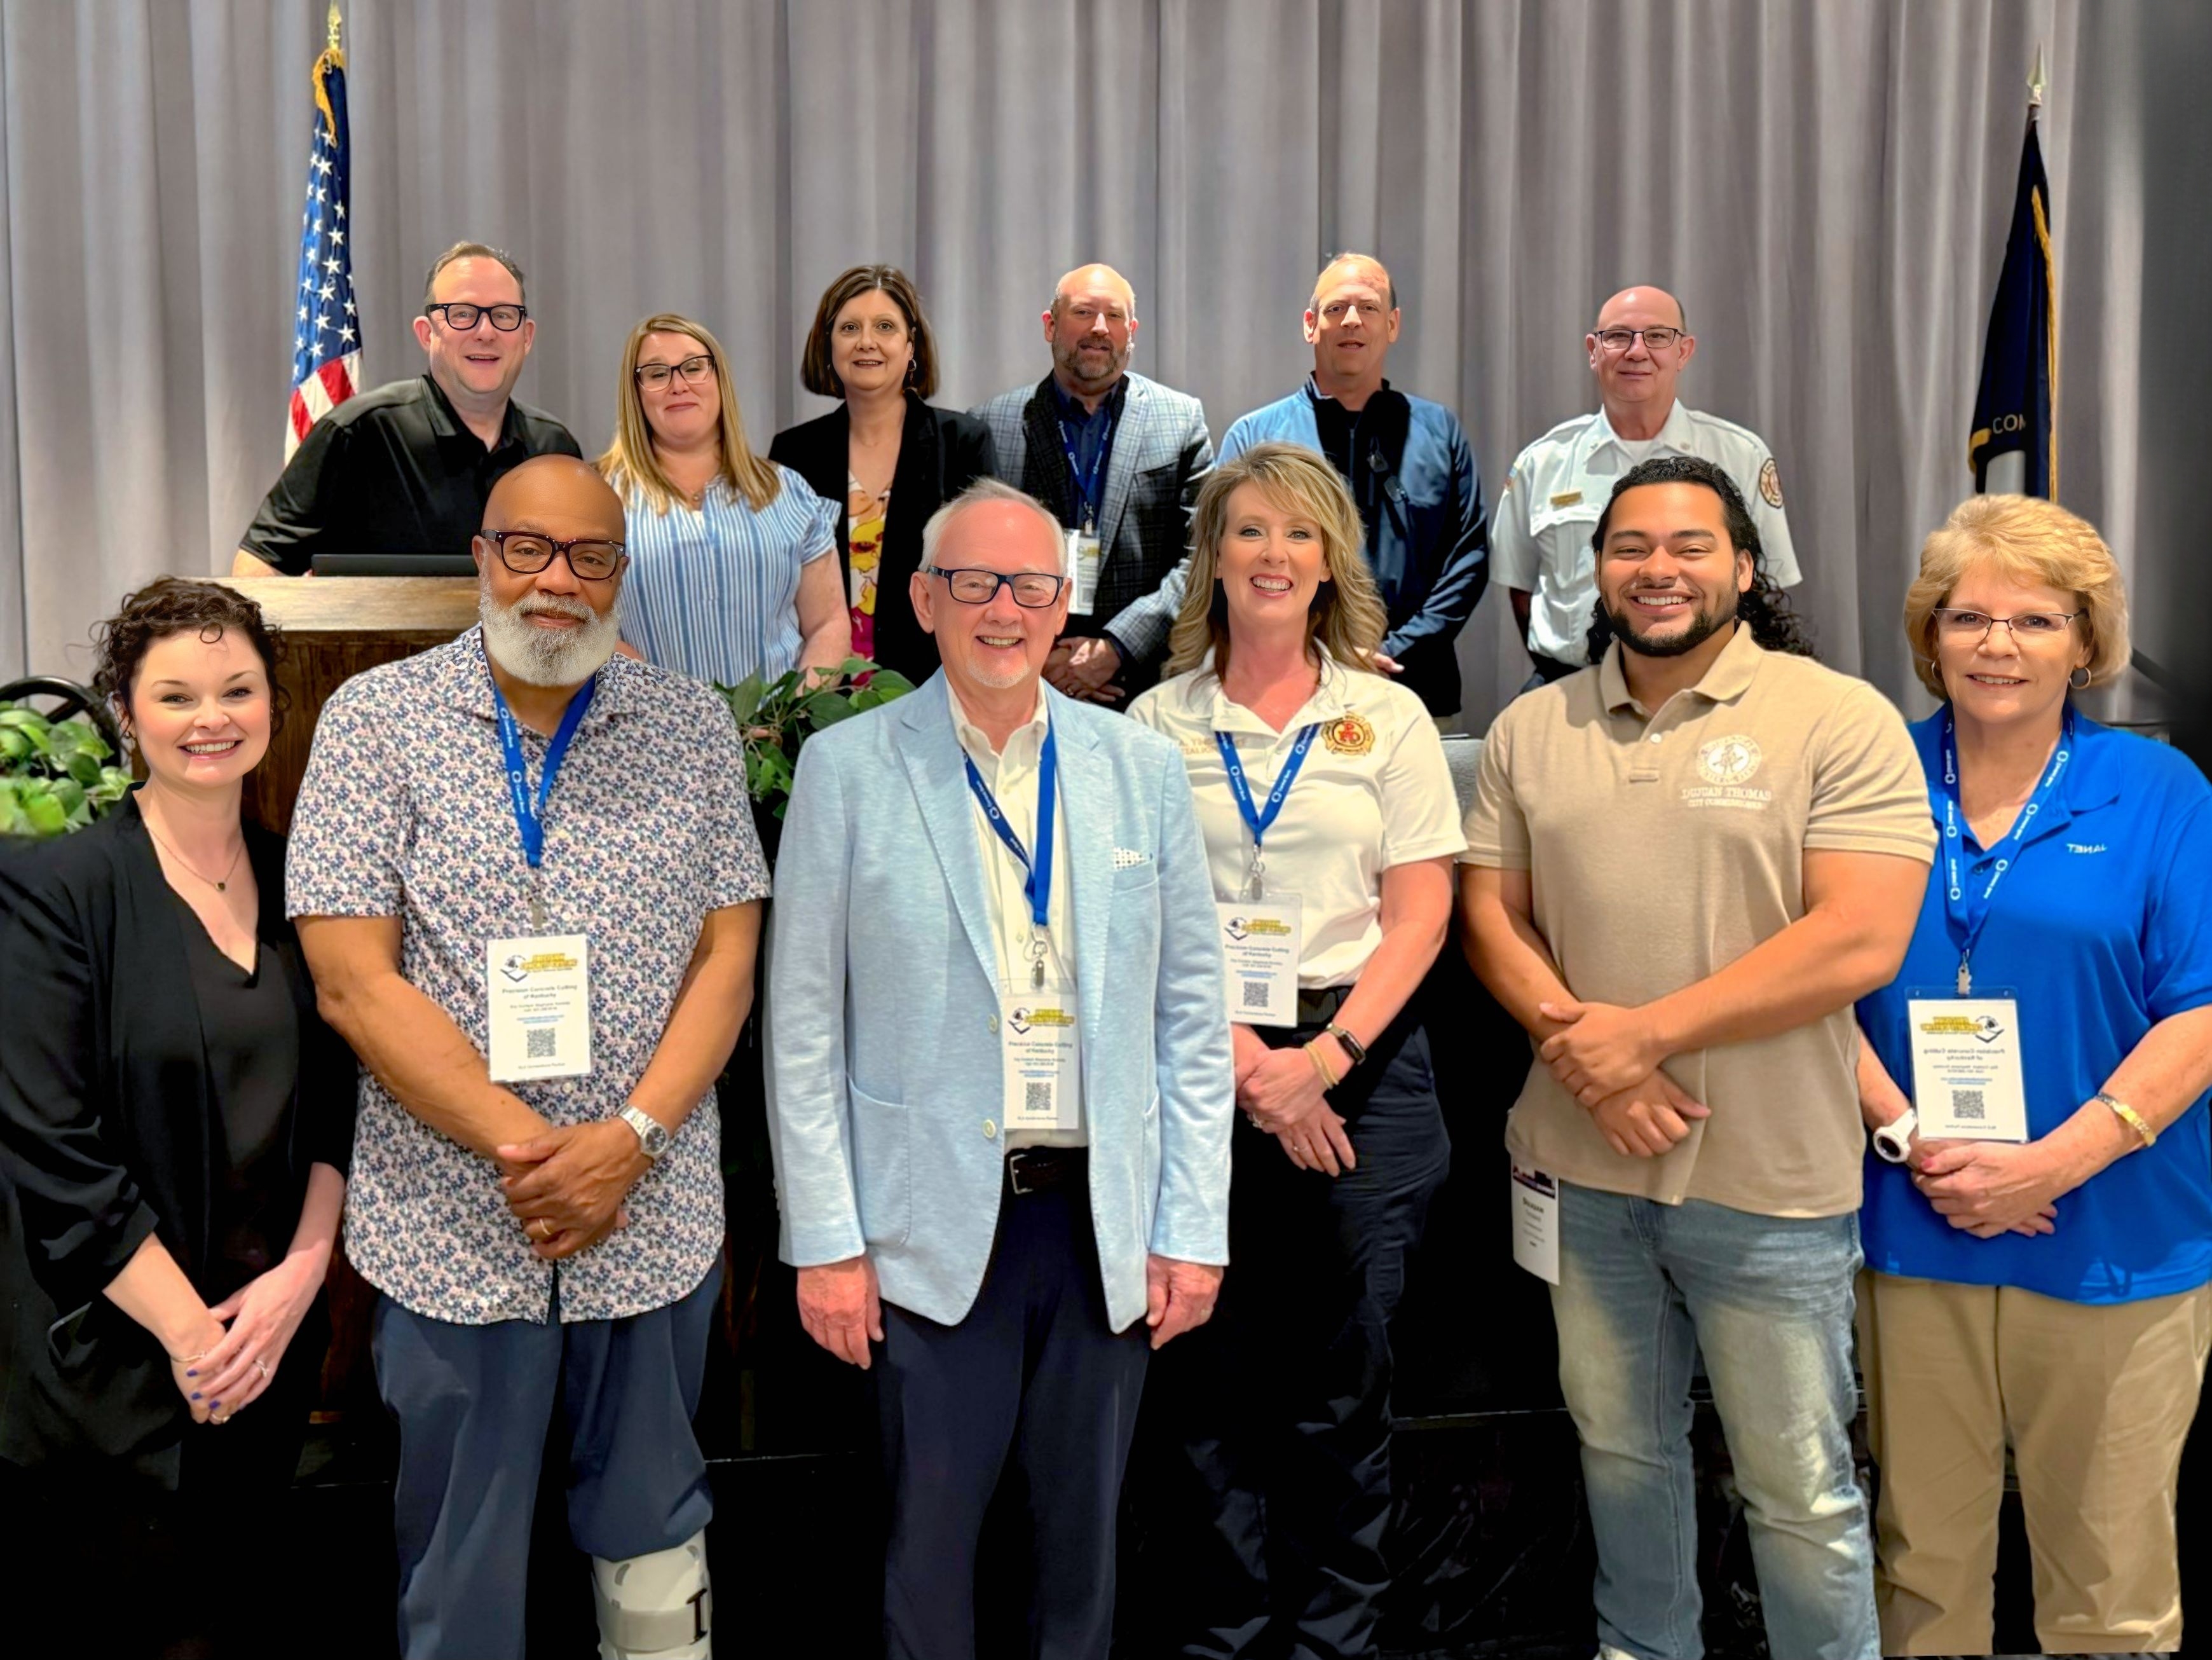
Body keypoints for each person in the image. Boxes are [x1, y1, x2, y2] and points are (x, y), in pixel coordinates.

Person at [286, 455, 768, 1660]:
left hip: (651, 1218)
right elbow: (352, 979)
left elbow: (728, 960)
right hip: (456, 1219)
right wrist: (541, 1153)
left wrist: (630, 1142)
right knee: (462, 1553)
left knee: (656, 1538)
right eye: (529, 550)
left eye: (590, 556)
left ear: (621, 574)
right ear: (481, 557)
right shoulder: (375, 721)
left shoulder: (693, 727)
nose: (558, 581)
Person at [1458, 455, 1935, 1660]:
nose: (1656, 571)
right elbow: (1492, 918)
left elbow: (1861, 938)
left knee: (1802, 1492)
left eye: (1687, 546)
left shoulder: (1838, 715)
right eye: (1628, 548)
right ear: (1591, 569)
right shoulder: (1532, 725)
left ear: (1743, 564)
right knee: (1623, 1465)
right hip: (1583, 1172)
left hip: (1770, 1186)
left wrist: (1645, 1037)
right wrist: (1589, 1065)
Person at [765, 477, 1234, 1659]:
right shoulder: (849, 770)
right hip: (925, 1230)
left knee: (1082, 1557)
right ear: (923, 599)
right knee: (930, 1553)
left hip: (1101, 1224)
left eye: (1029, 586)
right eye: (973, 583)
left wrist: (1192, 1226)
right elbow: (804, 1027)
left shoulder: (1138, 768)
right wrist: (825, 1240)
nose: (1002, 610)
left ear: (1065, 602)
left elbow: (1189, 1016)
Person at [1853, 495, 2212, 1657]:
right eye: (1969, 617)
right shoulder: (1866, 778)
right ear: (1932, 634)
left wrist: (2051, 1162)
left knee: (2110, 1589)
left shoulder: (2162, 794)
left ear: (2086, 641)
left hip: (2114, 1234)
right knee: (1921, 1575)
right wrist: (1920, 1146)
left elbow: (2201, 1012)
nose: (1998, 645)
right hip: (1916, 1222)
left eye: (2035, 620)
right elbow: (1807, 991)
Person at [1127, 442, 1464, 1659]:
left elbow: (1423, 912)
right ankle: (1221, 1637)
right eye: (1249, 531)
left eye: (1300, 535)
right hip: (1197, 1059)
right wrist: (1244, 1063)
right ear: (1211, 556)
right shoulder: (1154, 724)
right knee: (1205, 1388)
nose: (1274, 556)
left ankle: (1337, 1641)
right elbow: (1141, 917)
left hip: (1362, 1058)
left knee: (1346, 1389)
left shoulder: (1386, 714)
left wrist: (1318, 1062)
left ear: (1332, 562)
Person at [0, 579, 353, 1656]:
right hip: (113, 1369)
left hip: (267, 1349)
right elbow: (50, 1148)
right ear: (125, 713)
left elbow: (339, 1112)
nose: (213, 718)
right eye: (178, 694)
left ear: (273, 707)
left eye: (238, 689)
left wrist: (299, 1281)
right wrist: (199, 1341)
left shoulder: (309, 879)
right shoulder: (56, 887)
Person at [1119, 253, 1489, 721]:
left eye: (1369, 308)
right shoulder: (1256, 436)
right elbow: (1222, 555)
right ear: (1311, 325)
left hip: (1414, 685)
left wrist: (1395, 647)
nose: (1352, 321)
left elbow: (1469, 555)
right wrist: (1320, 652)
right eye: (1336, 309)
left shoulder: (1439, 433)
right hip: (1278, 689)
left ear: (1392, 325)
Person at [1490, 285, 1799, 683]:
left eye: (1657, 336)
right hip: (1568, 685)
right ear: (1593, 350)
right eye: (1618, 336)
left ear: (1683, 351)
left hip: (1707, 686)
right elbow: (1521, 587)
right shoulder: (1543, 461)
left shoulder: (1740, 456)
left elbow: (1763, 585)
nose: (1637, 352)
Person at [235, 241, 582, 575]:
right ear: (427, 333)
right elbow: (258, 570)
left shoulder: (554, 449)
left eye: (504, 315)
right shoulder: (355, 435)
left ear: (526, 336)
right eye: (462, 314)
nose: (486, 331)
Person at [971, 262, 1214, 701]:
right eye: (1083, 313)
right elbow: (973, 563)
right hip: (1020, 683)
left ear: (1132, 332)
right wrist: (1035, 655)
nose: (1100, 328)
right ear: (1050, 326)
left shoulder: (1181, 421)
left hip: (1145, 686)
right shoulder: (991, 425)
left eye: (1114, 316)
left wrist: (1117, 648)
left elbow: (1202, 557)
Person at [770, 264, 998, 685]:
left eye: (885, 327)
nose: (866, 342)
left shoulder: (965, 443)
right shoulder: (793, 452)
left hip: (935, 687)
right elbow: (780, 588)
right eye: (850, 328)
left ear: (912, 346)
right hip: (821, 698)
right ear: (828, 345)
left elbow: (988, 579)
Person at [599, 311, 848, 687]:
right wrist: (668, 710)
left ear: (720, 379)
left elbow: (828, 623)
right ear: (635, 393)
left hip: (775, 740)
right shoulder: (596, 500)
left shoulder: (787, 491)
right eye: (656, 374)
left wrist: (793, 715)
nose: (678, 385)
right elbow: (578, 628)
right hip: (647, 733)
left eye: (694, 367)